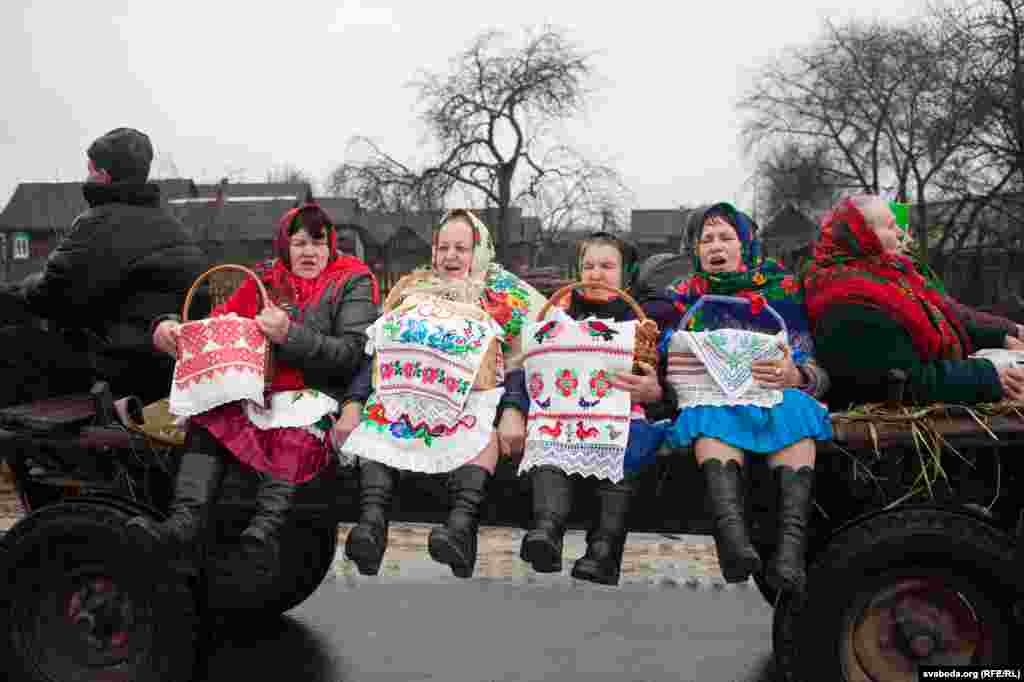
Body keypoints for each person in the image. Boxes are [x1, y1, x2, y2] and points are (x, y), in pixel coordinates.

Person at [125, 203, 379, 581]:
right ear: (284, 246)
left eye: (318, 242)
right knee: (209, 417)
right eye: (299, 243)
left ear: (331, 245)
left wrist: (289, 334)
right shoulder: (265, 279)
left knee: (297, 432)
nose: (310, 252)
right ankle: (183, 523)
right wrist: (172, 330)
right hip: (259, 390)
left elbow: (353, 353)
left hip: (318, 392)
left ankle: (264, 534)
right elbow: (220, 324)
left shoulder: (351, 280)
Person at [335, 209, 548, 578]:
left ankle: (460, 531)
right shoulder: (411, 292)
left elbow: (522, 361)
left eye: (461, 248)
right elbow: (379, 355)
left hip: (469, 399)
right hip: (407, 390)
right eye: (443, 247)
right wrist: (354, 403)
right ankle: (371, 526)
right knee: (379, 421)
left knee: (480, 429)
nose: (451, 256)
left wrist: (514, 409)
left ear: (478, 251)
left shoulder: (501, 298)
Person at [666, 203, 832, 596]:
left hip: (772, 392)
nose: (715, 246)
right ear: (696, 250)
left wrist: (798, 375)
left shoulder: (781, 291)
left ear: (746, 245)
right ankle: (733, 543)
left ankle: (791, 553)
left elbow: (811, 362)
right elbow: (664, 356)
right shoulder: (684, 298)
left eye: (726, 237)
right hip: (713, 396)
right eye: (707, 239)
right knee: (708, 418)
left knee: (797, 415)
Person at [0, 127, 209, 407]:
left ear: (103, 174)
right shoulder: (170, 223)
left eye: (90, 168)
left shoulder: (99, 223)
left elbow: (50, 295)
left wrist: (16, 289)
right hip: (169, 367)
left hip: (123, 369)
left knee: (16, 342)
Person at [516, 232, 675, 585]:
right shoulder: (558, 318)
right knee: (546, 435)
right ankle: (547, 531)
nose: (596, 274)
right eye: (588, 266)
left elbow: (666, 388)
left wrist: (653, 391)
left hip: (620, 415)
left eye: (607, 266)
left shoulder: (643, 323)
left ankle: (604, 549)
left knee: (627, 439)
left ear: (625, 273)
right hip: (564, 414)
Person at [804, 195, 1024, 408]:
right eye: (891, 226)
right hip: (893, 436)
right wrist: (990, 376)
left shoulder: (887, 275)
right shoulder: (846, 299)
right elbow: (900, 380)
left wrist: (1004, 334)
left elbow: (947, 316)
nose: (900, 233)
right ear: (863, 235)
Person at [888, 200, 1024, 344]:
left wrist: (1005, 333)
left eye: (908, 233)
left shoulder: (913, 271)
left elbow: (952, 312)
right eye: (901, 237)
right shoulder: (894, 284)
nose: (909, 241)